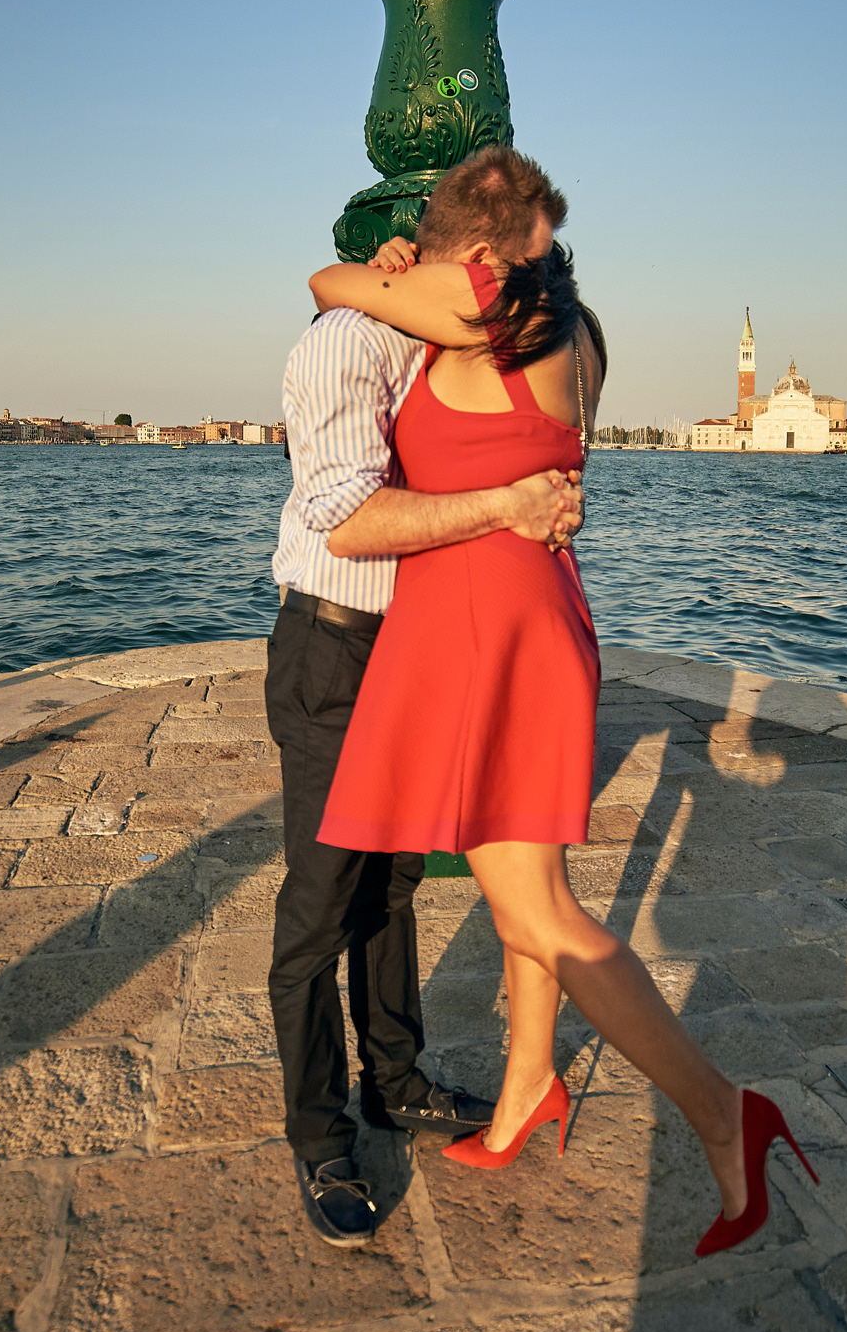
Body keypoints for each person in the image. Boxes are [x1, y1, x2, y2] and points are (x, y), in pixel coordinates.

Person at [306, 146, 818, 1259]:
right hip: (543, 608)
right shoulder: (580, 330)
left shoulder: (486, 299)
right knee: (531, 891)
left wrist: (384, 268)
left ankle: (724, 1113)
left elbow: (324, 282)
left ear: (469, 251)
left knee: (534, 911)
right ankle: (528, 1088)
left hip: (482, 620)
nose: (546, 256)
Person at [267, 214, 588, 1248]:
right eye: (498, 267)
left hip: (410, 648)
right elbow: (353, 521)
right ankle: (320, 1134)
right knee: (321, 903)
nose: (503, 292)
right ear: (464, 257)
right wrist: (509, 504)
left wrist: (548, 504)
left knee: (394, 882)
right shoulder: (344, 345)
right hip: (334, 644)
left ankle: (394, 1081)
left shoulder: (431, 342)